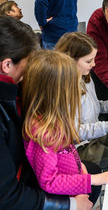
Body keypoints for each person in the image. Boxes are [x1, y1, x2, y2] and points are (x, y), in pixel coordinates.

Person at [0, 16, 92, 210]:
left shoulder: (15, 91)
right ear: (7, 65)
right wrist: (71, 204)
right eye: (29, 63)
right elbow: (8, 197)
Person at [22, 50, 108, 202]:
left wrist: (80, 167)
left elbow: (67, 150)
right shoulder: (43, 133)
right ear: (57, 92)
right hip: (69, 195)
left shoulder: (55, 117)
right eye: (72, 85)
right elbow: (49, 181)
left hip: (76, 179)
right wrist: (94, 180)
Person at [55, 32, 108, 170]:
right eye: (88, 61)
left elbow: (93, 105)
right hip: (78, 148)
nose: (94, 64)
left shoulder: (85, 77)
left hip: (93, 136)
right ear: (70, 60)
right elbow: (73, 132)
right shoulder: (64, 90)